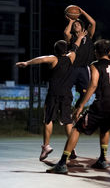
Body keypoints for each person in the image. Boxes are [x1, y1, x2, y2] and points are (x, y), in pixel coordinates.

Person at [47, 38, 110, 174]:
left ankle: (62, 163)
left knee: (76, 129)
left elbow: (93, 84)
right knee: (105, 128)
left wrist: (81, 105)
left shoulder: (95, 64)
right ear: (109, 52)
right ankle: (103, 160)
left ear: (95, 53)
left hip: (104, 103)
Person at [16, 31, 86, 162]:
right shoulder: (71, 57)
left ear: (55, 50)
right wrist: (81, 37)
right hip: (66, 94)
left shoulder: (54, 59)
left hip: (53, 94)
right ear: (66, 49)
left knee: (48, 119)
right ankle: (71, 148)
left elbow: (42, 59)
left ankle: (46, 146)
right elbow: (75, 47)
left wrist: (26, 63)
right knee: (68, 121)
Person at [64, 6, 96, 109]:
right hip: (72, 67)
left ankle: (76, 110)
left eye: (78, 24)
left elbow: (93, 23)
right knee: (65, 91)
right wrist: (71, 21)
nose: (76, 25)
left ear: (83, 27)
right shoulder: (71, 38)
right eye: (74, 25)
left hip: (83, 68)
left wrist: (82, 11)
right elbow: (66, 33)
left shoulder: (88, 36)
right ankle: (65, 111)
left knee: (85, 93)